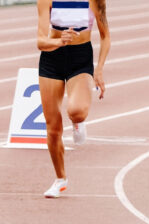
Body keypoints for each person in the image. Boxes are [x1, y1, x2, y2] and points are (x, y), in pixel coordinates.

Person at [36, 0, 109, 198]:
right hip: (52, 58)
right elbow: (40, 41)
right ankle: (60, 179)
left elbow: (105, 36)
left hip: (81, 59)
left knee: (76, 111)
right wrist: (59, 41)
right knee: (52, 128)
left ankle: (78, 122)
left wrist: (99, 70)